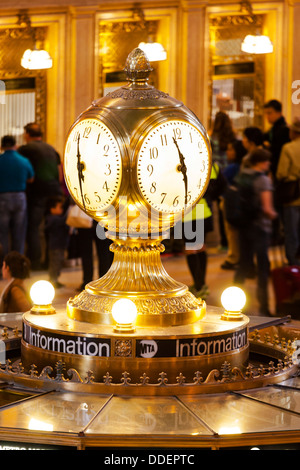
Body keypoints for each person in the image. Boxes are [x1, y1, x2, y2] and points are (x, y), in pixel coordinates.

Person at [234, 149, 277, 315]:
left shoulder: (242, 175)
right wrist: (275, 216)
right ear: (262, 162)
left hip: (243, 226)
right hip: (260, 227)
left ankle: (235, 305)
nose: (269, 164)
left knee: (243, 264)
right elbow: (267, 209)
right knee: (263, 267)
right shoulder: (263, 180)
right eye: (267, 161)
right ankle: (264, 308)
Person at [18, 123, 63, 270]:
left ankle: (35, 262)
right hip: (55, 193)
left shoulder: (25, 150)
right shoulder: (51, 149)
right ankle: (50, 264)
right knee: (52, 229)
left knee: (34, 228)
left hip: (37, 194)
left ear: (27, 134)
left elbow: (22, 171)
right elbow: (60, 173)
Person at [0, 135, 34, 257]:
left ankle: (3, 263)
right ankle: (16, 264)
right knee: (19, 232)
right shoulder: (23, 161)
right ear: (15, 145)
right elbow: (31, 178)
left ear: (2, 146)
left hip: (2, 198)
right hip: (20, 197)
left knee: (2, 233)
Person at [276, 118, 300, 266]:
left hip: (293, 196)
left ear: (293, 132)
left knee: (291, 231)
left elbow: (281, 173)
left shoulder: (288, 148)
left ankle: (293, 262)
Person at [221, 139, 247, 270]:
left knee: (231, 231)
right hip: (243, 202)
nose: (227, 152)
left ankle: (233, 257)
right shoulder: (245, 165)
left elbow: (222, 183)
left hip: (230, 202)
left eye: (231, 149)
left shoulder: (231, 168)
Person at [45, 196, 69, 288]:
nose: (61, 209)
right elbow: (63, 221)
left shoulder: (55, 219)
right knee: (55, 264)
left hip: (59, 245)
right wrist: (68, 213)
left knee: (58, 263)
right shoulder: (52, 219)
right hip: (55, 246)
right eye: (59, 207)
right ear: (52, 209)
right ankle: (53, 280)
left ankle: (55, 280)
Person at [263, 100, 290, 179]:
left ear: (279, 113)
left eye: (269, 113)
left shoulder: (283, 130)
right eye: (266, 113)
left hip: (278, 169)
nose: (267, 116)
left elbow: (277, 152)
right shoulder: (274, 128)